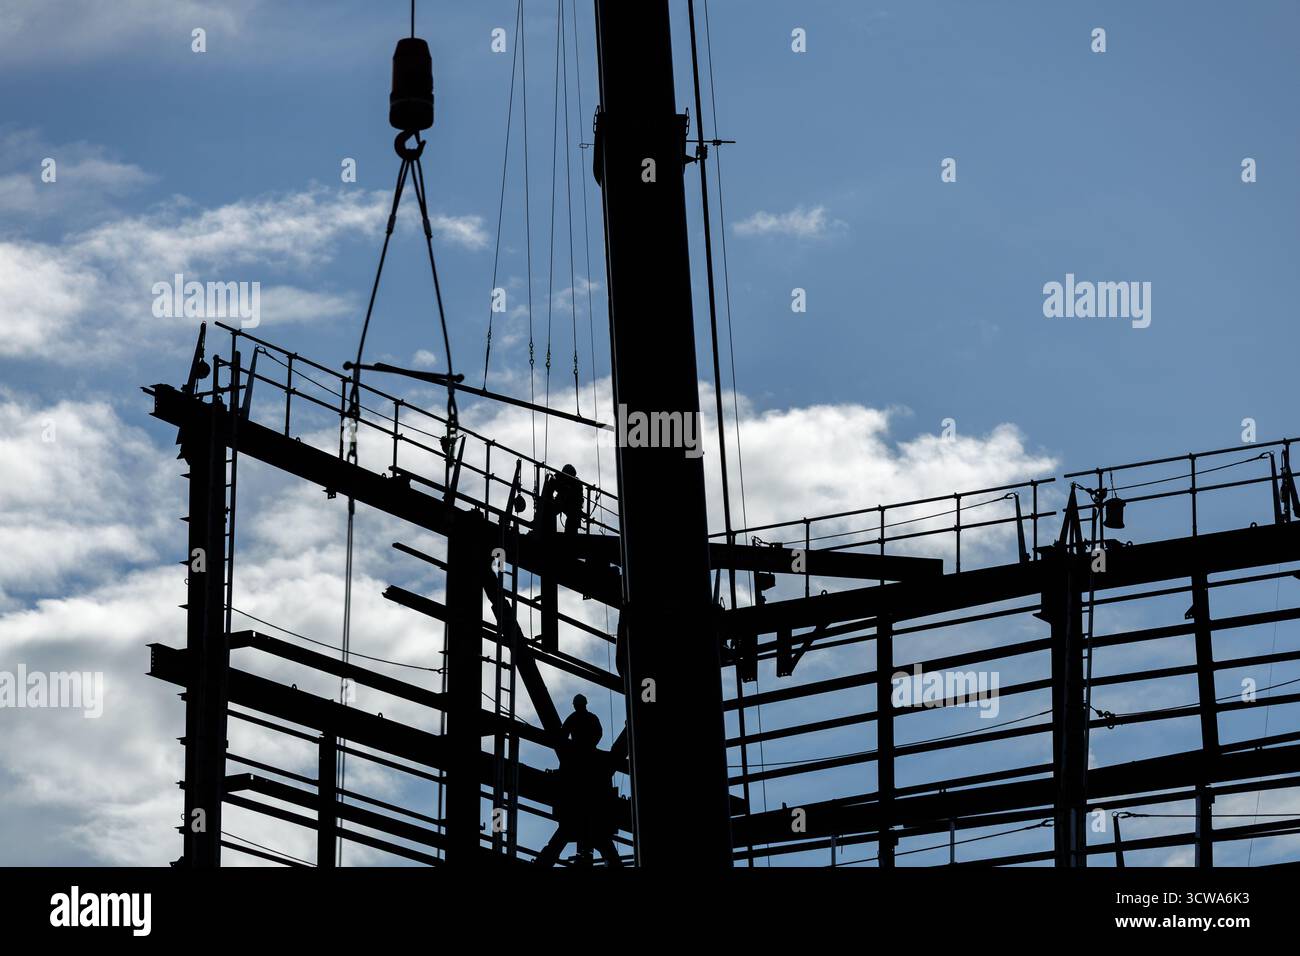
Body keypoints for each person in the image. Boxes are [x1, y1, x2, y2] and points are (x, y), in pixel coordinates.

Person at [534, 696, 624, 867]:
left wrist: (571, 748)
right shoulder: (591, 719)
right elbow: (598, 733)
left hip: (574, 796)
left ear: (576, 705)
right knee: (603, 843)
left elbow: (562, 735)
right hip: (594, 803)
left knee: (562, 838)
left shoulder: (574, 719)